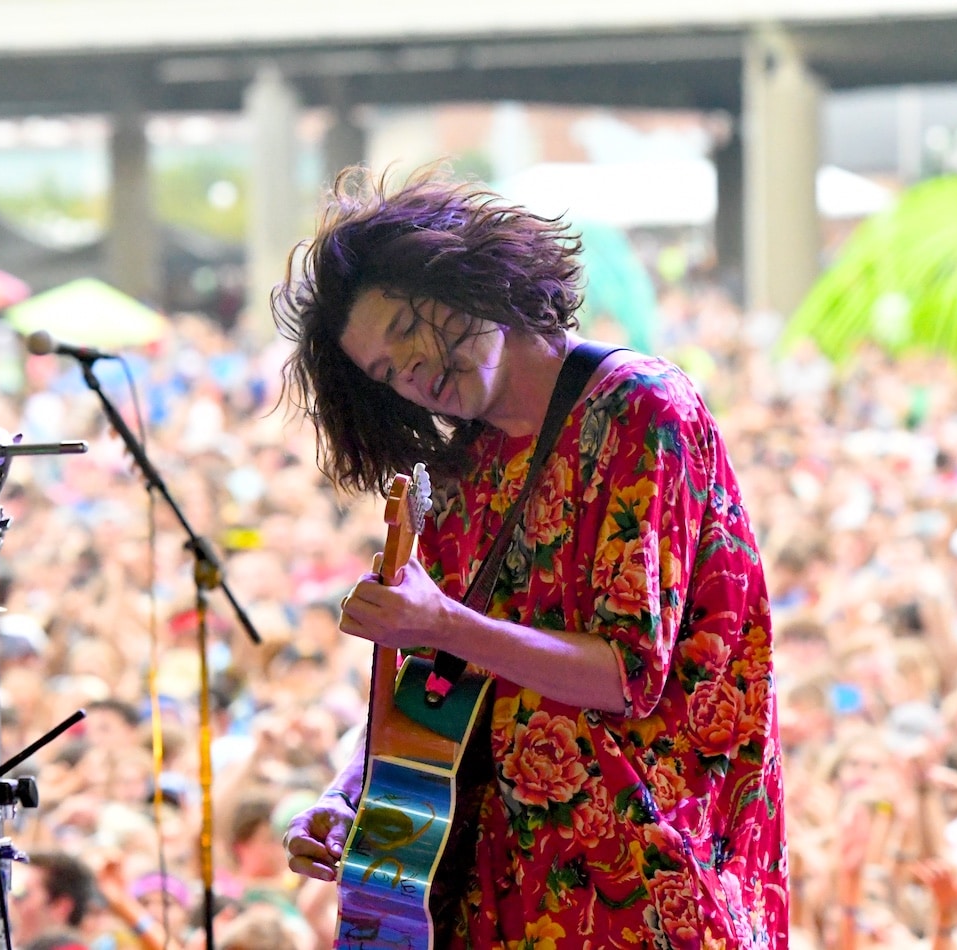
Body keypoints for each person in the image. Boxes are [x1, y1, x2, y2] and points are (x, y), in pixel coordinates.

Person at [273, 164, 786, 948]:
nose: (411, 369)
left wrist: (440, 623)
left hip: (645, 888)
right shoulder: (461, 472)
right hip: (500, 893)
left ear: (467, 277)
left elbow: (625, 675)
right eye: (385, 372)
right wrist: (354, 794)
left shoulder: (639, 407)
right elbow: (438, 683)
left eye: (408, 326)